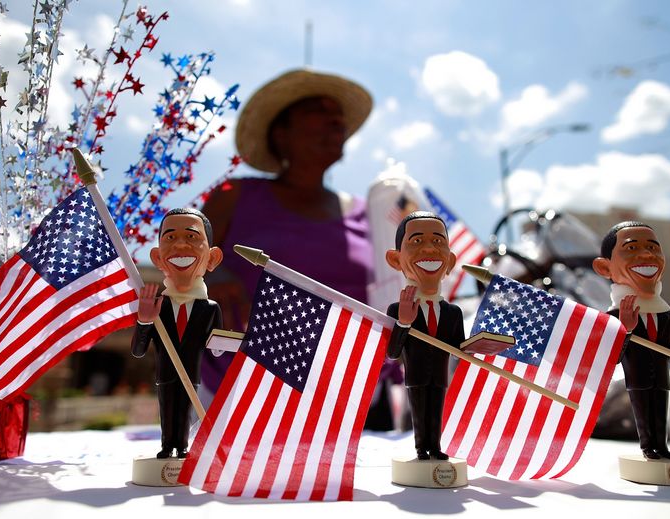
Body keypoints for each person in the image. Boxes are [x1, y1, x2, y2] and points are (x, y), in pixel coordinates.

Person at [200, 68, 380, 406]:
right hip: (238, 391)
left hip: (349, 393)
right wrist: (215, 271)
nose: (335, 122)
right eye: (317, 112)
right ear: (281, 134)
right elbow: (183, 255)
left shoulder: (367, 212)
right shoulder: (234, 194)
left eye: (338, 116)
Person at [385, 211, 506, 460]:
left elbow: (457, 347)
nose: (429, 249)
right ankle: (421, 449)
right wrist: (404, 323)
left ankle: (435, 447)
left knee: (437, 413)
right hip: (416, 377)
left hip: (440, 377)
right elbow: (392, 352)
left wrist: (477, 346)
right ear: (396, 260)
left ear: (450, 262)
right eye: (417, 241)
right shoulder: (398, 310)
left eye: (438, 241)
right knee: (419, 413)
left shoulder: (452, 312)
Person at [131, 208, 223, 458]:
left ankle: (182, 448)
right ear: (158, 258)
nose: (180, 245)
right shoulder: (156, 307)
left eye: (192, 237)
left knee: (184, 412)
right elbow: (138, 351)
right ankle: (166, 446)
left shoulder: (211, 309)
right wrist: (144, 321)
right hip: (165, 375)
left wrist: (241, 342)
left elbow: (218, 348)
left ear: (212, 258)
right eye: (169, 238)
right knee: (167, 410)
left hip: (192, 376)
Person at [592, 221, 670, 460]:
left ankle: (661, 446)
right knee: (643, 413)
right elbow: (612, 357)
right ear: (605, 268)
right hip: (638, 378)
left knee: (660, 412)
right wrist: (627, 329)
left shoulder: (668, 314)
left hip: (662, 378)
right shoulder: (614, 317)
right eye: (631, 248)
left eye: (653, 248)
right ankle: (648, 447)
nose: (646, 254)